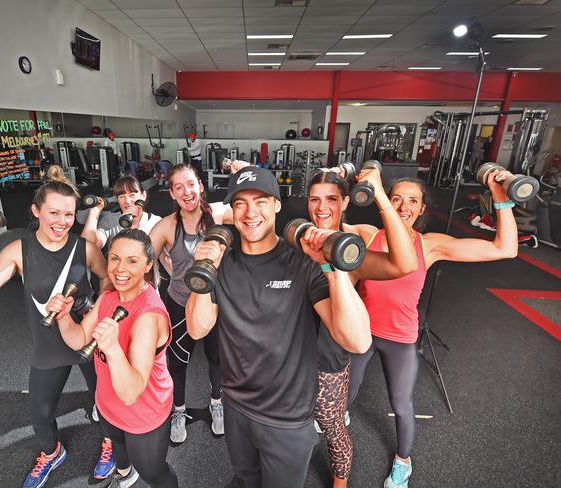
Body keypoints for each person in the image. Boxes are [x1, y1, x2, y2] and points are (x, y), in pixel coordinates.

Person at [186, 166, 371, 488]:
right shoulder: (224, 264)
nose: (250, 212)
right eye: (240, 203)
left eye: (260, 201)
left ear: (277, 204)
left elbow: (357, 341)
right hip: (237, 407)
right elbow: (198, 329)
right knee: (246, 478)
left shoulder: (302, 263)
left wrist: (333, 268)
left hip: (287, 418)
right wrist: (203, 272)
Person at [347, 171, 519, 488]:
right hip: (362, 333)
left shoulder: (430, 246)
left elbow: (504, 249)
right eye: (396, 197)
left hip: (399, 338)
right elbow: (322, 226)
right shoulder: (368, 235)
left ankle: (403, 462)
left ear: (423, 209)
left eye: (412, 201)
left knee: (401, 404)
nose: (403, 206)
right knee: (347, 392)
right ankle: (337, 419)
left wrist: (500, 196)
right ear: (382, 200)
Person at [0, 166, 114, 488]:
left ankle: (112, 444)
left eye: (68, 214)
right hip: (49, 344)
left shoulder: (84, 249)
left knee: (108, 404)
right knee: (40, 415)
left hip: (85, 338)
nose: (61, 221)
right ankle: (52, 452)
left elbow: (107, 278)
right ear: (35, 211)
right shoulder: (19, 250)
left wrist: (97, 310)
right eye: (53, 212)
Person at [307, 167, 418, 488]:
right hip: (293, 361)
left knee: (333, 430)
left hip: (329, 363)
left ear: (345, 202)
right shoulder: (300, 238)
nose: (322, 207)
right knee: (294, 430)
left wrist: (381, 194)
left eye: (331, 199)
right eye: (314, 199)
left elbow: (404, 264)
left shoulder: (350, 247)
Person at [46, 229, 178, 488]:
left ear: (149, 264)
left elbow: (131, 393)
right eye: (115, 258)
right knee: (118, 448)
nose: (120, 269)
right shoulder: (108, 297)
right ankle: (125, 472)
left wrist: (113, 349)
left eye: (132, 261)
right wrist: (63, 317)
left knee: (154, 474)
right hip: (107, 405)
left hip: (143, 414)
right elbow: (80, 338)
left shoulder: (148, 316)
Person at [148, 163, 234, 443]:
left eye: (191, 184)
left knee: (217, 359)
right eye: (179, 187)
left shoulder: (219, 214)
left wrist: (245, 171)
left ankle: (216, 402)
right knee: (177, 362)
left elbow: (256, 212)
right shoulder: (166, 226)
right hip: (179, 303)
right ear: (172, 193)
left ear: (200, 185)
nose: (187, 191)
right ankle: (179, 410)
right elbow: (141, 258)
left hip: (215, 303)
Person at [82, 175, 162, 252]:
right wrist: (94, 212)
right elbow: (87, 249)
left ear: (143, 195)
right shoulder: (110, 220)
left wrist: (133, 226)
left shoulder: (157, 222)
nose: (127, 201)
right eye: (121, 197)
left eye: (132, 195)